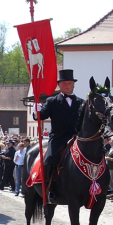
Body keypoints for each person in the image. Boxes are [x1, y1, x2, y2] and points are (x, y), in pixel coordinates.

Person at [33, 69, 84, 204]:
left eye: (70, 83)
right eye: (65, 83)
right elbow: (41, 116)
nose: (68, 85)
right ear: (60, 86)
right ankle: (49, 189)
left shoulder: (81, 102)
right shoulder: (52, 101)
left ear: (73, 85)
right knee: (49, 158)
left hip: (77, 137)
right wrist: (36, 110)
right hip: (59, 137)